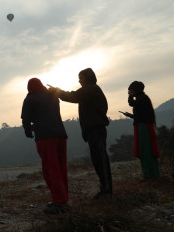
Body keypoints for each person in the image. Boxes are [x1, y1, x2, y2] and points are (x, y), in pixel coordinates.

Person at [48, 68, 112, 199]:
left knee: (100, 160)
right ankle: (105, 189)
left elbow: (73, 96)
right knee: (98, 160)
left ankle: (106, 190)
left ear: (87, 78)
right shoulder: (92, 89)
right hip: (94, 129)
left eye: (81, 77)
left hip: (95, 129)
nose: (79, 80)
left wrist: (56, 91)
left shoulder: (90, 89)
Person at [21, 78, 69, 214]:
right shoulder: (52, 95)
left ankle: (59, 201)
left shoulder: (30, 98)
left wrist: (28, 132)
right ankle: (63, 199)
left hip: (45, 137)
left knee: (50, 169)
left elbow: (26, 119)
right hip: (61, 134)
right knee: (61, 167)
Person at [121, 81, 160, 180]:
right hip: (143, 126)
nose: (130, 92)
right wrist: (130, 115)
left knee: (146, 151)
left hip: (144, 128)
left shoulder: (142, 99)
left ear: (135, 90)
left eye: (131, 90)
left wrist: (129, 96)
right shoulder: (142, 98)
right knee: (146, 150)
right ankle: (151, 174)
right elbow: (140, 115)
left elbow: (132, 104)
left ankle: (149, 175)